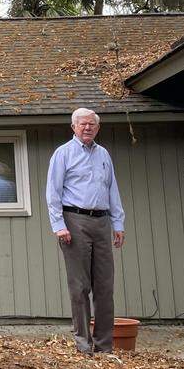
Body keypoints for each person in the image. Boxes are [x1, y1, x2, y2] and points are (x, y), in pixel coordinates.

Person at [45, 107, 126, 354]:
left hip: (101, 222)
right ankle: (83, 343)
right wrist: (59, 226)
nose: (87, 128)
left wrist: (118, 223)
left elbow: (112, 190)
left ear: (97, 128)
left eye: (92, 124)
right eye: (82, 124)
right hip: (74, 222)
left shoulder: (103, 155)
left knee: (104, 286)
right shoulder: (63, 154)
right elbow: (53, 193)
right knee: (80, 286)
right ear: (73, 127)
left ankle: (104, 345)